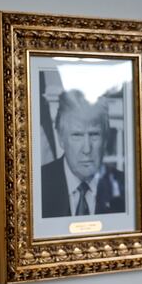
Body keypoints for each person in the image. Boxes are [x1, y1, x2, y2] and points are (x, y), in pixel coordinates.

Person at [41, 89, 125, 217]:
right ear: (61, 138)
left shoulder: (126, 187)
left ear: (106, 138)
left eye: (94, 134)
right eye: (77, 135)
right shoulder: (38, 184)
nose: (87, 149)